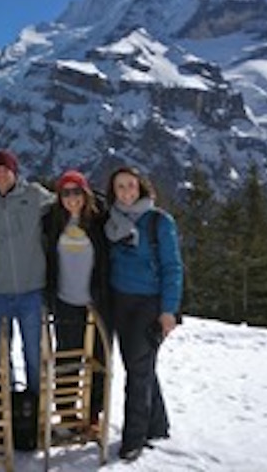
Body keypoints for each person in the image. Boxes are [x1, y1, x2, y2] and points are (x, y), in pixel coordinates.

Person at [103, 166, 183, 462]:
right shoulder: (111, 220)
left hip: (149, 304)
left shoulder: (159, 221)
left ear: (141, 188)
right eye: (120, 187)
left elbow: (172, 267)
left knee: (137, 369)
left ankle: (134, 439)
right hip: (119, 301)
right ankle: (158, 425)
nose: (126, 192)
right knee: (140, 365)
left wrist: (168, 311)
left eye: (131, 186)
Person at [0, 149, 54, 395]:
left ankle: (35, 400)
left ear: (14, 172)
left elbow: (66, 204)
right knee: (1, 352)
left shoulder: (34, 194)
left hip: (32, 288)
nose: (0, 175)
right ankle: (6, 401)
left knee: (34, 350)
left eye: (5, 170)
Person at [43, 169, 111, 428]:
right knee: (67, 358)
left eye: (77, 192)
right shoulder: (52, 222)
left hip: (96, 300)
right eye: (66, 192)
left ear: (86, 193)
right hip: (65, 299)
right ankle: (67, 410)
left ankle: (94, 412)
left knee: (98, 358)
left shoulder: (100, 220)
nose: (72, 198)